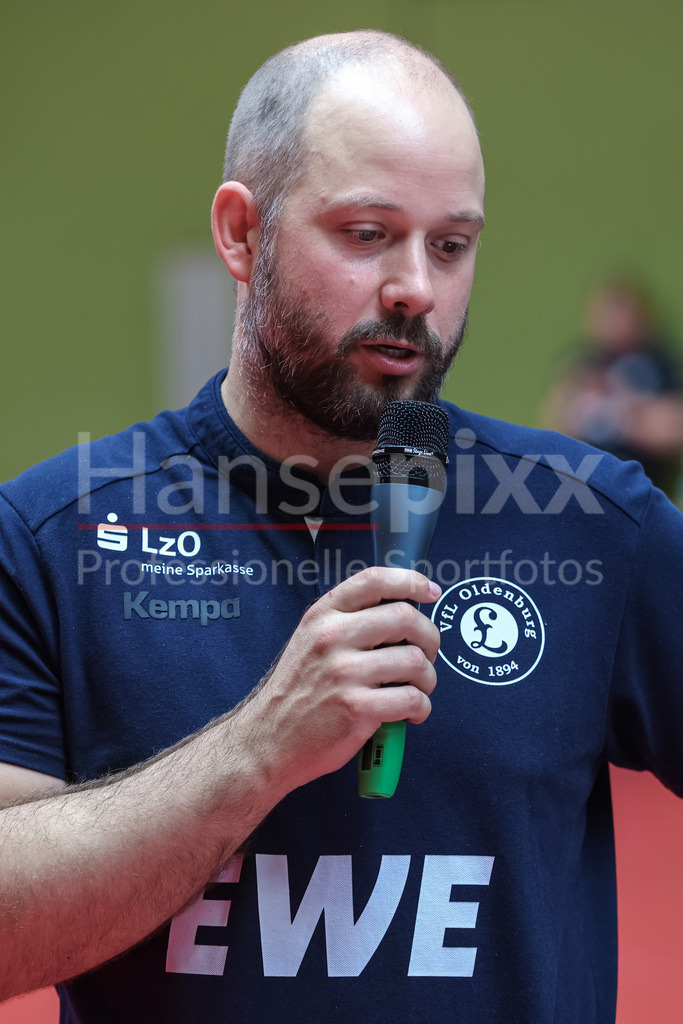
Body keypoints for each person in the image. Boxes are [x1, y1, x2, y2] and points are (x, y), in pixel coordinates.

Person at [0, 28, 681, 1024]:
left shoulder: (591, 528)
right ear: (241, 233)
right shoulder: (56, 537)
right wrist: (257, 749)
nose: (415, 287)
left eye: (450, 244)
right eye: (366, 233)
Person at [542, 278, 683, 496]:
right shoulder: (583, 365)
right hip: (590, 490)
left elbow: (672, 431)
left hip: (649, 488)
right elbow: (553, 426)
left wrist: (624, 411)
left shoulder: (660, 364)